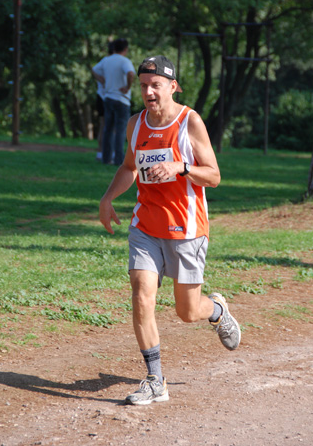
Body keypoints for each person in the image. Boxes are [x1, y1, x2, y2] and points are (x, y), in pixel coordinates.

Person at [99, 54, 241, 406]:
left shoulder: (189, 122)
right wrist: (107, 199)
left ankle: (218, 311)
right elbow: (130, 167)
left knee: (187, 311)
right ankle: (154, 379)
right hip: (146, 223)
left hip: (186, 228)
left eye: (156, 85)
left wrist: (180, 166)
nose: (149, 92)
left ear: (172, 87)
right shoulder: (136, 124)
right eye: (144, 85)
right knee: (141, 292)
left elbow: (215, 175)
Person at [91, 38, 135, 166]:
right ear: (125, 49)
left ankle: (106, 158)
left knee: (108, 129)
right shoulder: (125, 61)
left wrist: (101, 80)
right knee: (120, 130)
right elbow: (131, 74)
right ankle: (118, 159)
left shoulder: (106, 60)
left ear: (114, 48)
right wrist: (127, 87)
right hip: (122, 99)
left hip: (108, 98)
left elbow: (94, 70)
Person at [91, 41, 115, 161]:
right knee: (106, 125)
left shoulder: (109, 61)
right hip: (104, 96)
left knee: (106, 125)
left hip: (107, 97)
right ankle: (102, 151)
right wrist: (102, 81)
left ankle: (106, 152)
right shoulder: (107, 61)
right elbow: (94, 70)